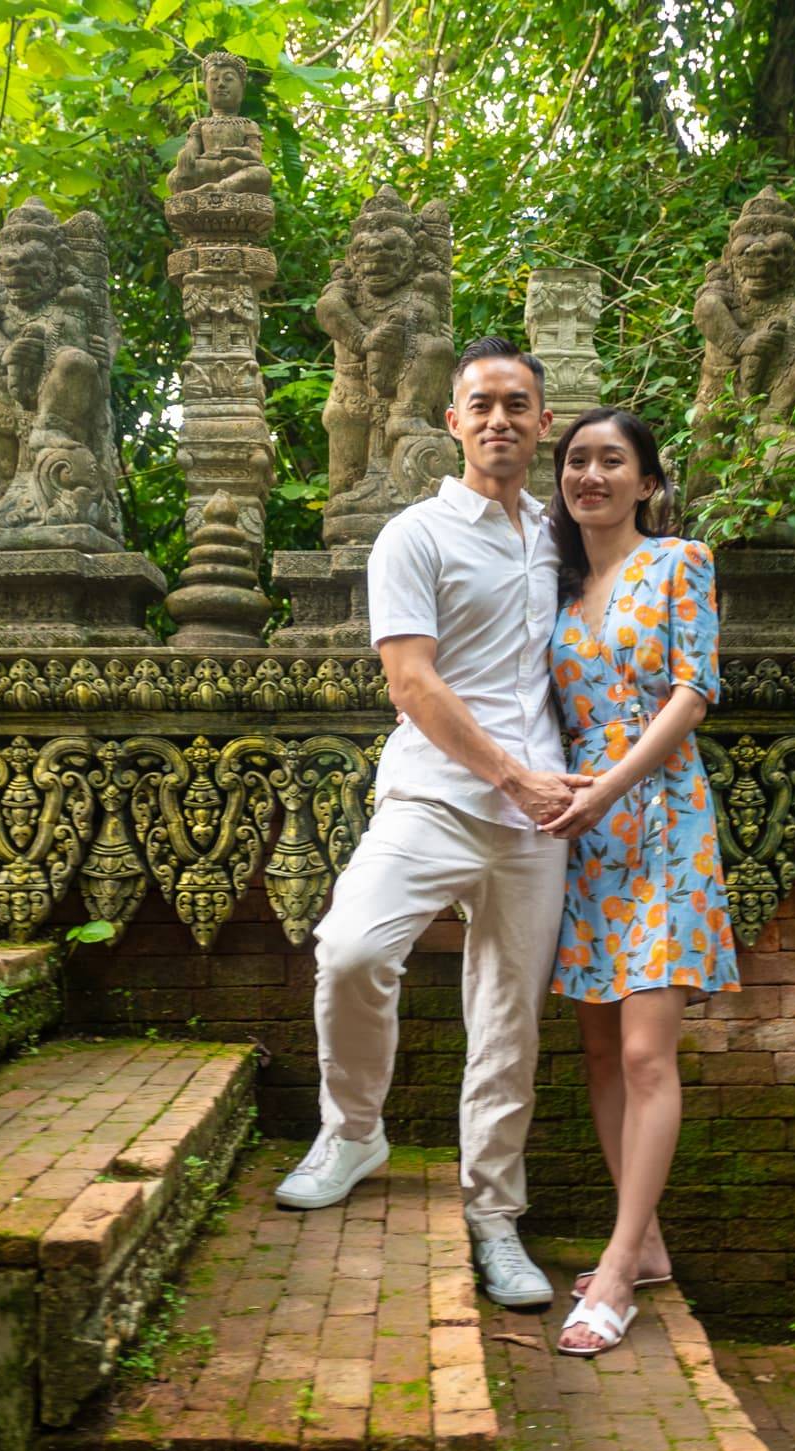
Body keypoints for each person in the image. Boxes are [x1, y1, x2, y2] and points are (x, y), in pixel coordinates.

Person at [274, 335, 579, 1313]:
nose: (499, 419)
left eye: (517, 404)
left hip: (539, 823)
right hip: (435, 798)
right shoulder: (415, 535)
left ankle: (496, 1215)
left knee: (508, 1019)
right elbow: (411, 680)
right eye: (481, 404)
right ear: (453, 422)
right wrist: (510, 776)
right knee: (352, 949)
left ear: (542, 423)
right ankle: (353, 1132)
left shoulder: (564, 541)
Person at [540, 407, 740, 1357]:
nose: (591, 474)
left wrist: (610, 788)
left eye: (611, 460)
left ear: (646, 482)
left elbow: (693, 692)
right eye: (576, 460)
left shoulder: (678, 562)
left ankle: (617, 1272)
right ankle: (645, 1237)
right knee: (598, 1051)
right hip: (582, 832)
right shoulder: (558, 589)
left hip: (660, 819)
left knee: (646, 1054)